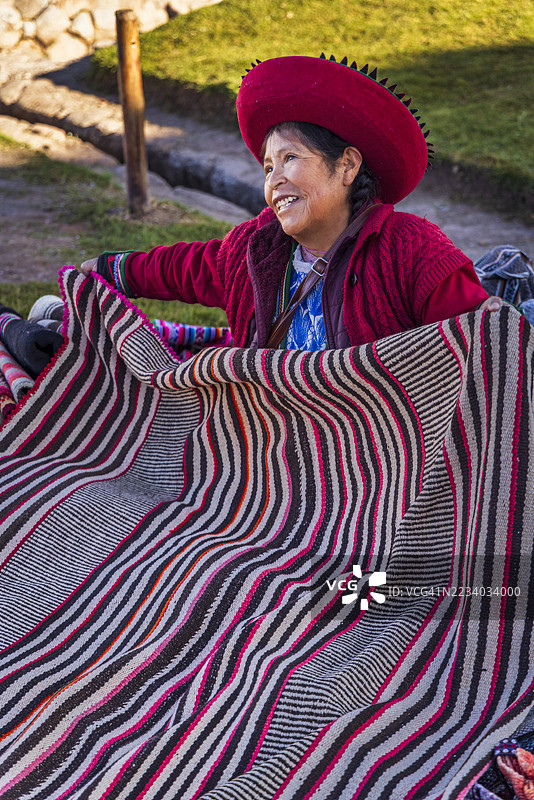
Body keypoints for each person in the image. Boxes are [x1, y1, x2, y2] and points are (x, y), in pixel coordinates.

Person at [80, 54, 502, 350]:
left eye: (290, 159)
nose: (274, 179)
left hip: (383, 466)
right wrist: (110, 269)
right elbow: (187, 269)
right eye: (267, 168)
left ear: (347, 166)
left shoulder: (411, 250)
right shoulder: (257, 250)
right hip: (275, 463)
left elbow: (485, 346)